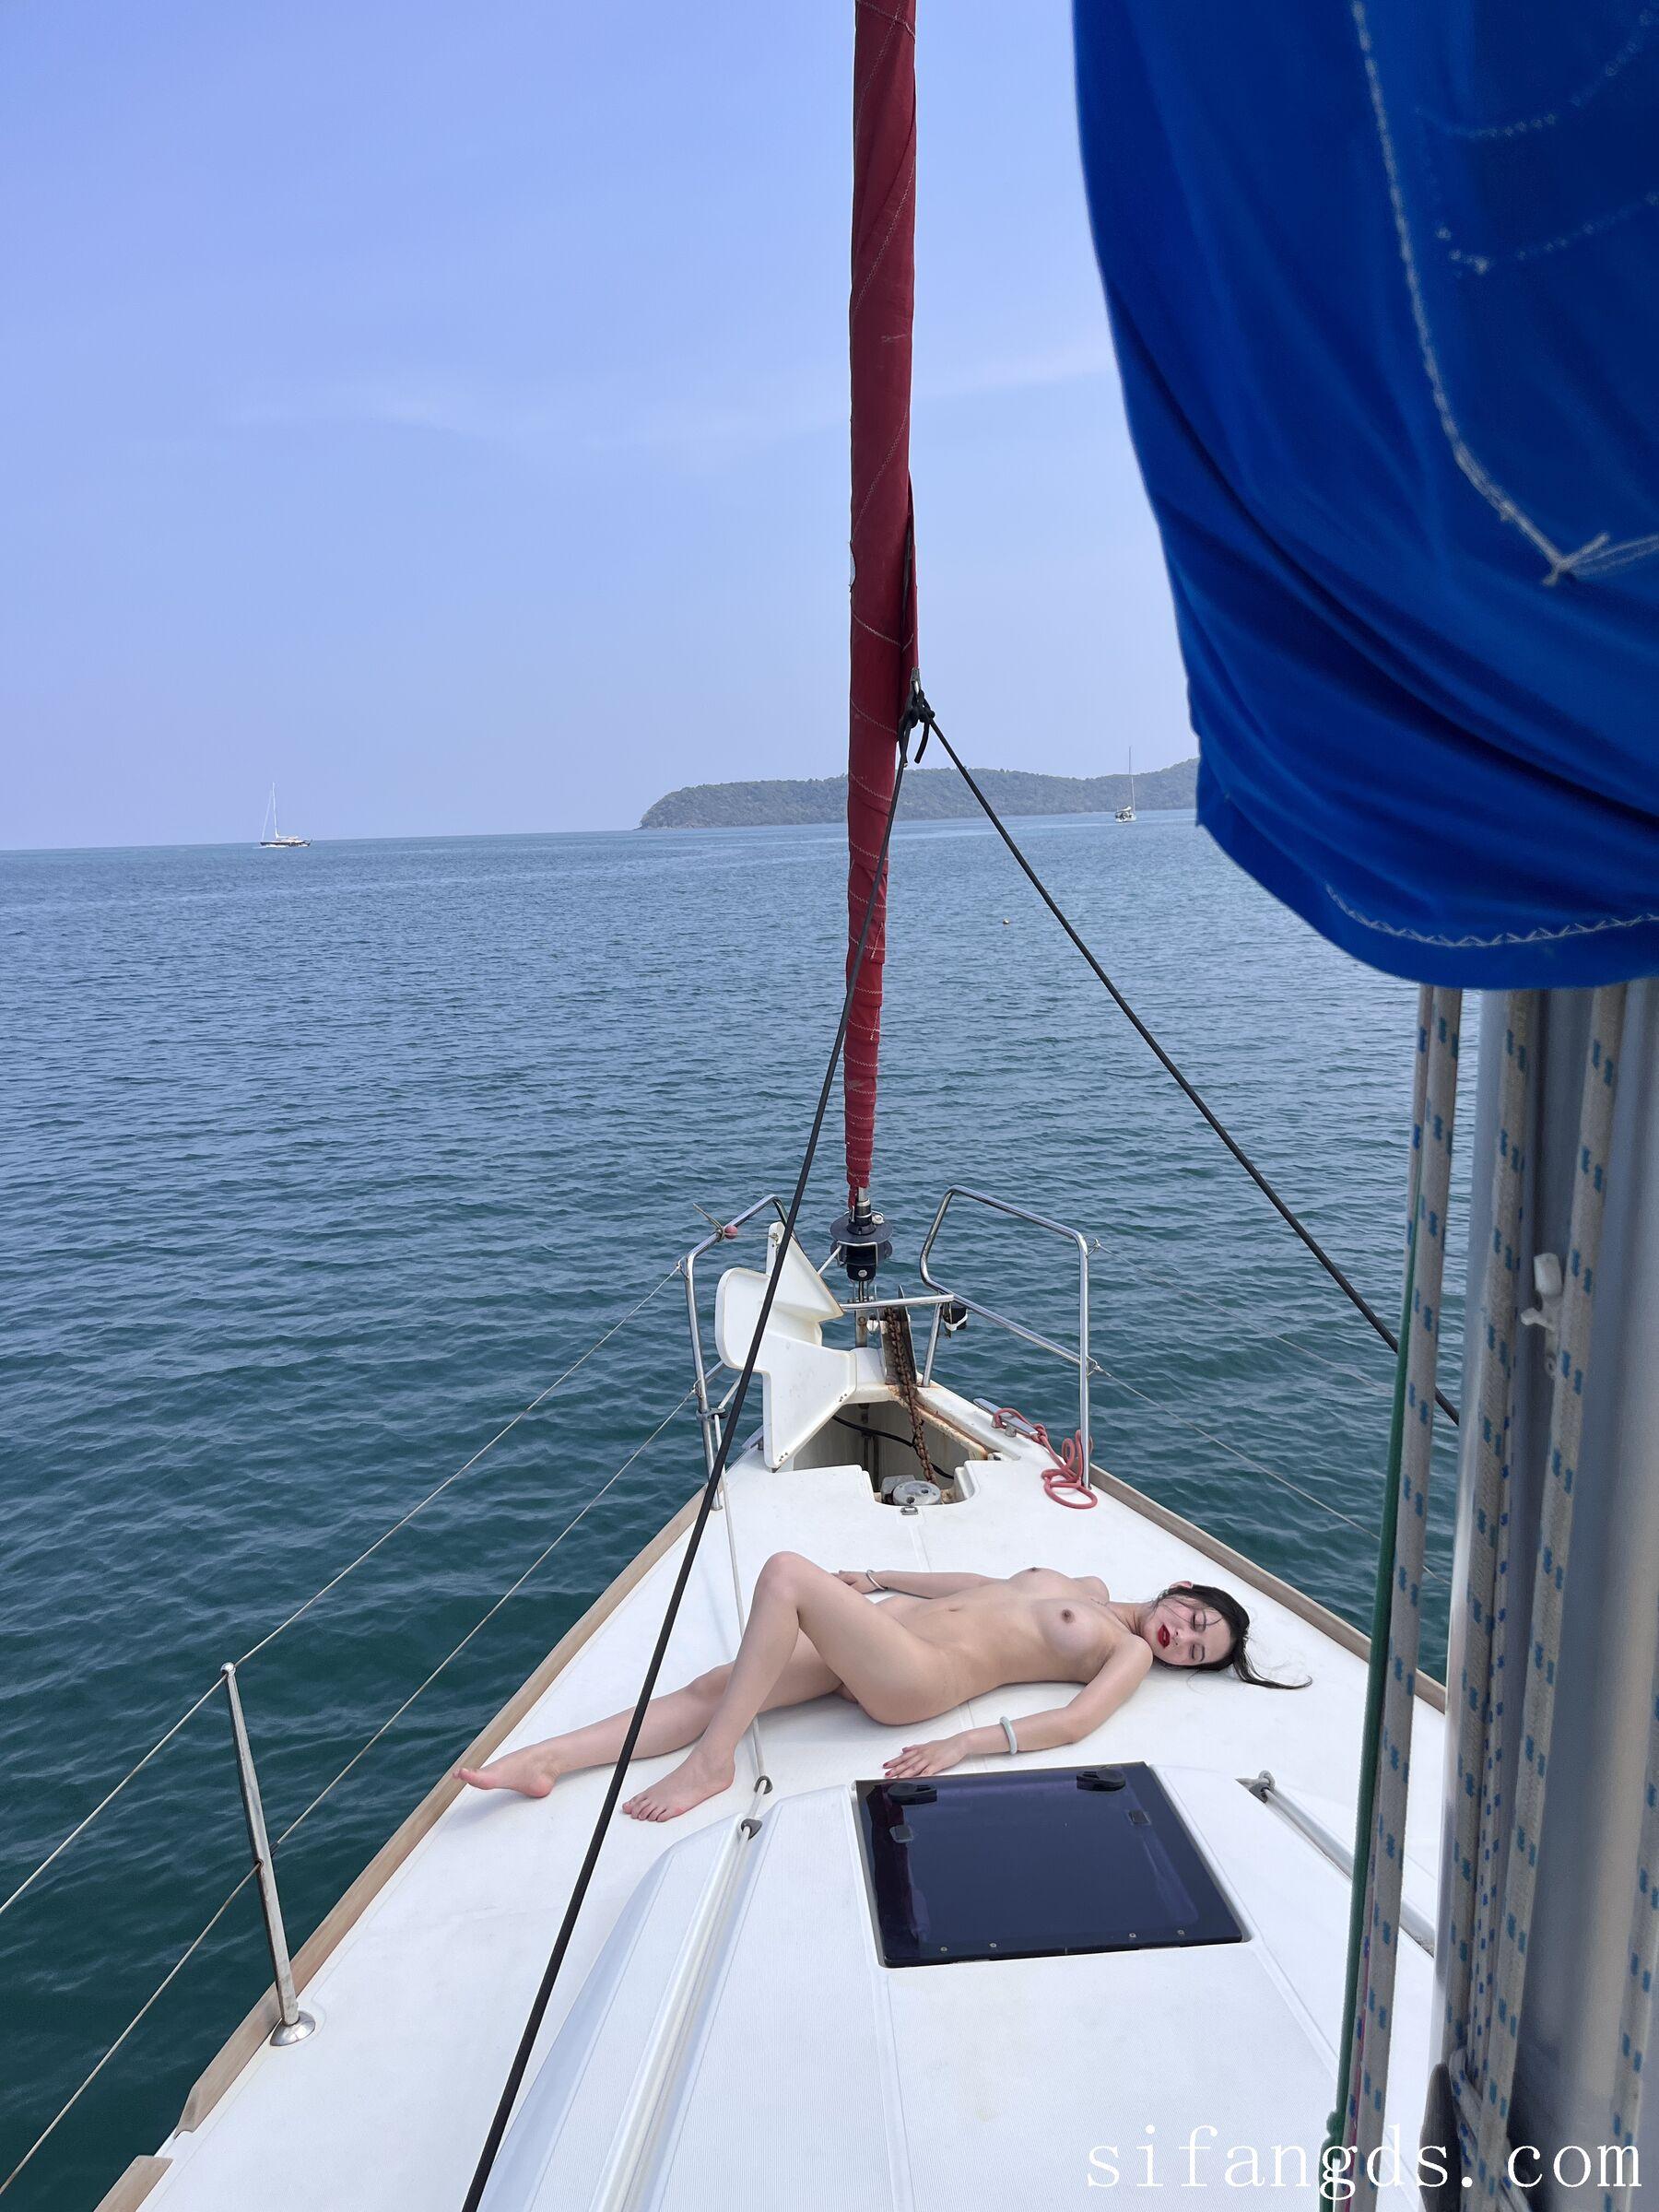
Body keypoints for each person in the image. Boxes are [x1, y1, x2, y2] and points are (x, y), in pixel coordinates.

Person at [456, 1558, 1300, 1823]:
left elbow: (1077, 1724)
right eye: (1195, 1621)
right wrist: (878, 1575)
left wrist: (966, 1743)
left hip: (918, 1679)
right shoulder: (1085, 1583)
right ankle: (548, 1761)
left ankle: (713, 1763)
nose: (1183, 1639)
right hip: (888, 1631)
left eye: (1199, 1653)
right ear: (1183, 1592)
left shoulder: (1129, 1653)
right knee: (719, 1682)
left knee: (787, 1577)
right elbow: (986, 1586)